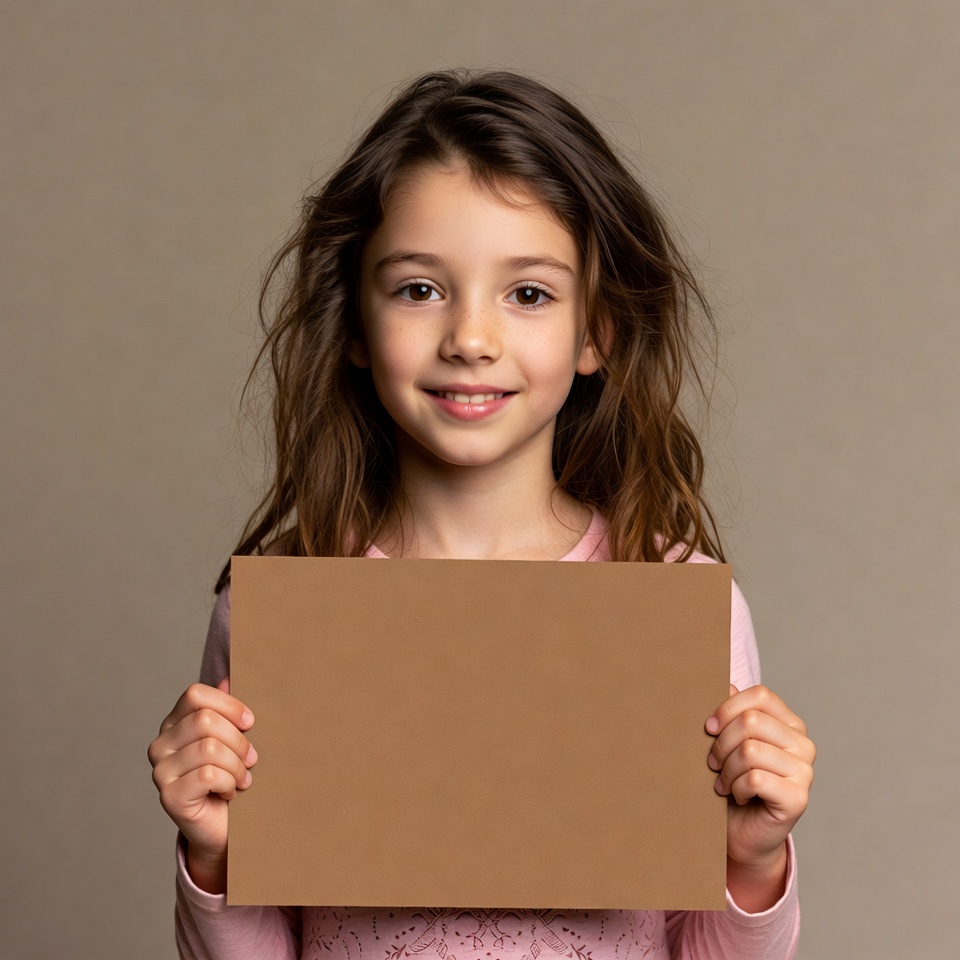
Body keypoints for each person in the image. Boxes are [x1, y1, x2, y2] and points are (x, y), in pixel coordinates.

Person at [148, 69, 815, 959]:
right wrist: (213, 851)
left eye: (528, 294)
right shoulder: (284, 613)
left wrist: (753, 859)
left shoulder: (673, 600)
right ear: (353, 321)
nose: (470, 337)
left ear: (596, 334)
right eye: (419, 289)